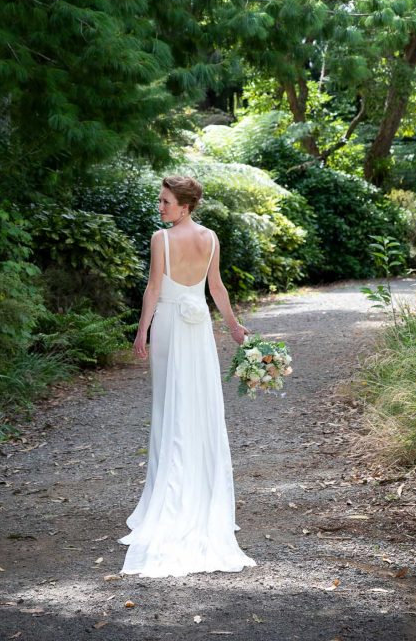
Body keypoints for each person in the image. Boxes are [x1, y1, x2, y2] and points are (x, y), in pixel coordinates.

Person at [118, 174, 256, 578]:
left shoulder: (161, 240)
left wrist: (142, 329)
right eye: (160, 202)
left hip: (171, 327)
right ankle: (196, 489)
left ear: (184, 206)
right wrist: (231, 327)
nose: (160, 208)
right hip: (198, 332)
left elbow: (154, 288)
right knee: (196, 405)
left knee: (171, 406)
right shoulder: (211, 238)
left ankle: (172, 496)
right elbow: (216, 289)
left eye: (165, 202)